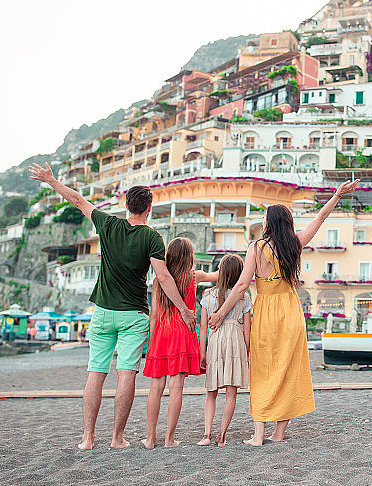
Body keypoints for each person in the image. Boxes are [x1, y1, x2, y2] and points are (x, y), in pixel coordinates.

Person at [29, 161, 194, 451]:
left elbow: (78, 200)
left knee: (96, 372)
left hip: (103, 311)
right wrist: (182, 308)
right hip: (133, 315)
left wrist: (51, 181)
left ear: (126, 205)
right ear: (149, 208)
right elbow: (164, 276)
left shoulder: (108, 224)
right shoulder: (152, 237)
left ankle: (88, 438)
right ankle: (117, 438)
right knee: (126, 373)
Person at [209, 179, 360, 446]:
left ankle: (258, 435)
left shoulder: (256, 248)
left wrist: (221, 313)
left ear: (268, 222)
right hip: (291, 312)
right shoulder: (295, 243)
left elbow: (242, 285)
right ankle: (278, 433)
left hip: (267, 313)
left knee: (264, 371)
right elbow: (321, 217)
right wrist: (337, 194)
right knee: (288, 371)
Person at [141, 237, 216, 449]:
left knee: (156, 386)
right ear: (189, 256)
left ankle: (150, 438)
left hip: (162, 335)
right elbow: (219, 275)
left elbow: (154, 316)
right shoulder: (193, 277)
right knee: (176, 388)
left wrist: (151, 344)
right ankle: (169, 439)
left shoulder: (158, 281)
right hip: (182, 335)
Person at [198, 254, 252, 447]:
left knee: (211, 392)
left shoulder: (207, 296)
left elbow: (203, 327)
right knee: (231, 393)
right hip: (235, 341)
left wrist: (202, 353)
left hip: (215, 341)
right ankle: (222, 435)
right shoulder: (244, 297)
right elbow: (247, 329)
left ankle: (206, 434)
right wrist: (246, 352)